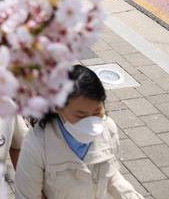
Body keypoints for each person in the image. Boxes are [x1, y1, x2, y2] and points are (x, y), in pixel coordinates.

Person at [15, 65, 144, 199]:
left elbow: (110, 176)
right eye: (81, 115)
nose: (91, 123)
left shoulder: (108, 128)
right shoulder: (37, 143)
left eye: (97, 112)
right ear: (58, 107)